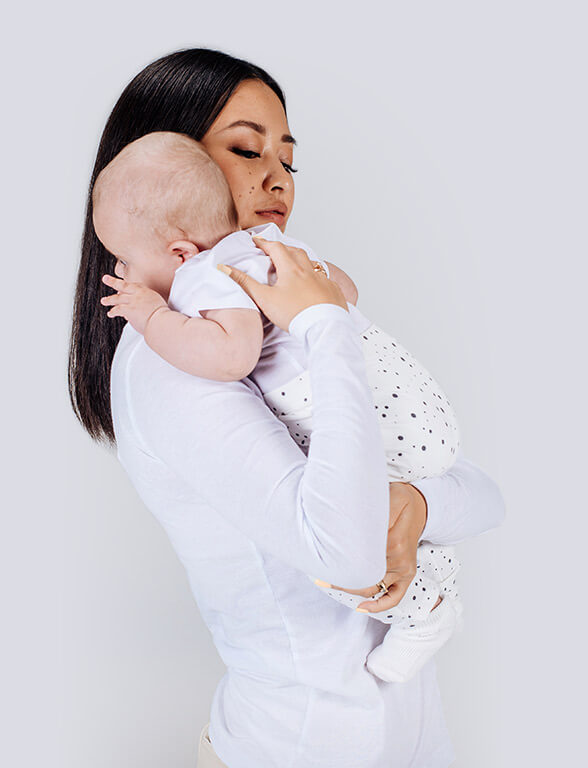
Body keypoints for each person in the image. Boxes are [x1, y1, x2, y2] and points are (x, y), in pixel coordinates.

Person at [68, 48, 505, 768]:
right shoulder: (176, 361)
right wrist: (325, 323)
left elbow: (484, 496)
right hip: (295, 748)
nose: (277, 178)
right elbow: (348, 554)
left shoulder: (277, 310)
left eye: (289, 159)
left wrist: (417, 505)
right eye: (247, 150)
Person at [91, 130, 463, 685]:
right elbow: (347, 290)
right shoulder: (265, 243)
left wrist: (150, 315)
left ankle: (425, 612)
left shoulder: (202, 277)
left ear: (180, 252)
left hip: (357, 416)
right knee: (397, 521)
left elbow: (231, 355)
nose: (123, 272)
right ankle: (441, 582)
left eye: (125, 258)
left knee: (345, 558)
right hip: (410, 404)